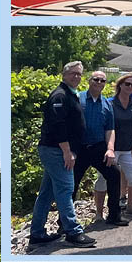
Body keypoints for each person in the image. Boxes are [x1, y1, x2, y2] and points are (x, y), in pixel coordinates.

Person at [29, 61, 96, 248]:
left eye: (79, 74)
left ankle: (37, 234)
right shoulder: (60, 95)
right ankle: (73, 232)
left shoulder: (70, 94)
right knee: (66, 189)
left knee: (47, 193)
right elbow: (58, 127)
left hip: (58, 150)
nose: (76, 77)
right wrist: (67, 151)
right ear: (64, 75)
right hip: (56, 150)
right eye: (72, 73)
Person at [70, 71, 129, 227]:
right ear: (89, 81)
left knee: (114, 174)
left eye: (102, 80)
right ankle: (65, 222)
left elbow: (110, 129)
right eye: (96, 79)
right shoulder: (77, 98)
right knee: (72, 183)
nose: (99, 82)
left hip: (99, 148)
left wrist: (110, 149)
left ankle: (114, 215)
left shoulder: (106, 103)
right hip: (79, 149)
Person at [93, 73, 132, 219]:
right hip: (111, 148)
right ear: (120, 84)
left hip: (129, 147)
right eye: (127, 84)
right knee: (103, 179)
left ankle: (130, 206)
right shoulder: (109, 102)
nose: (130, 87)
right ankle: (99, 212)